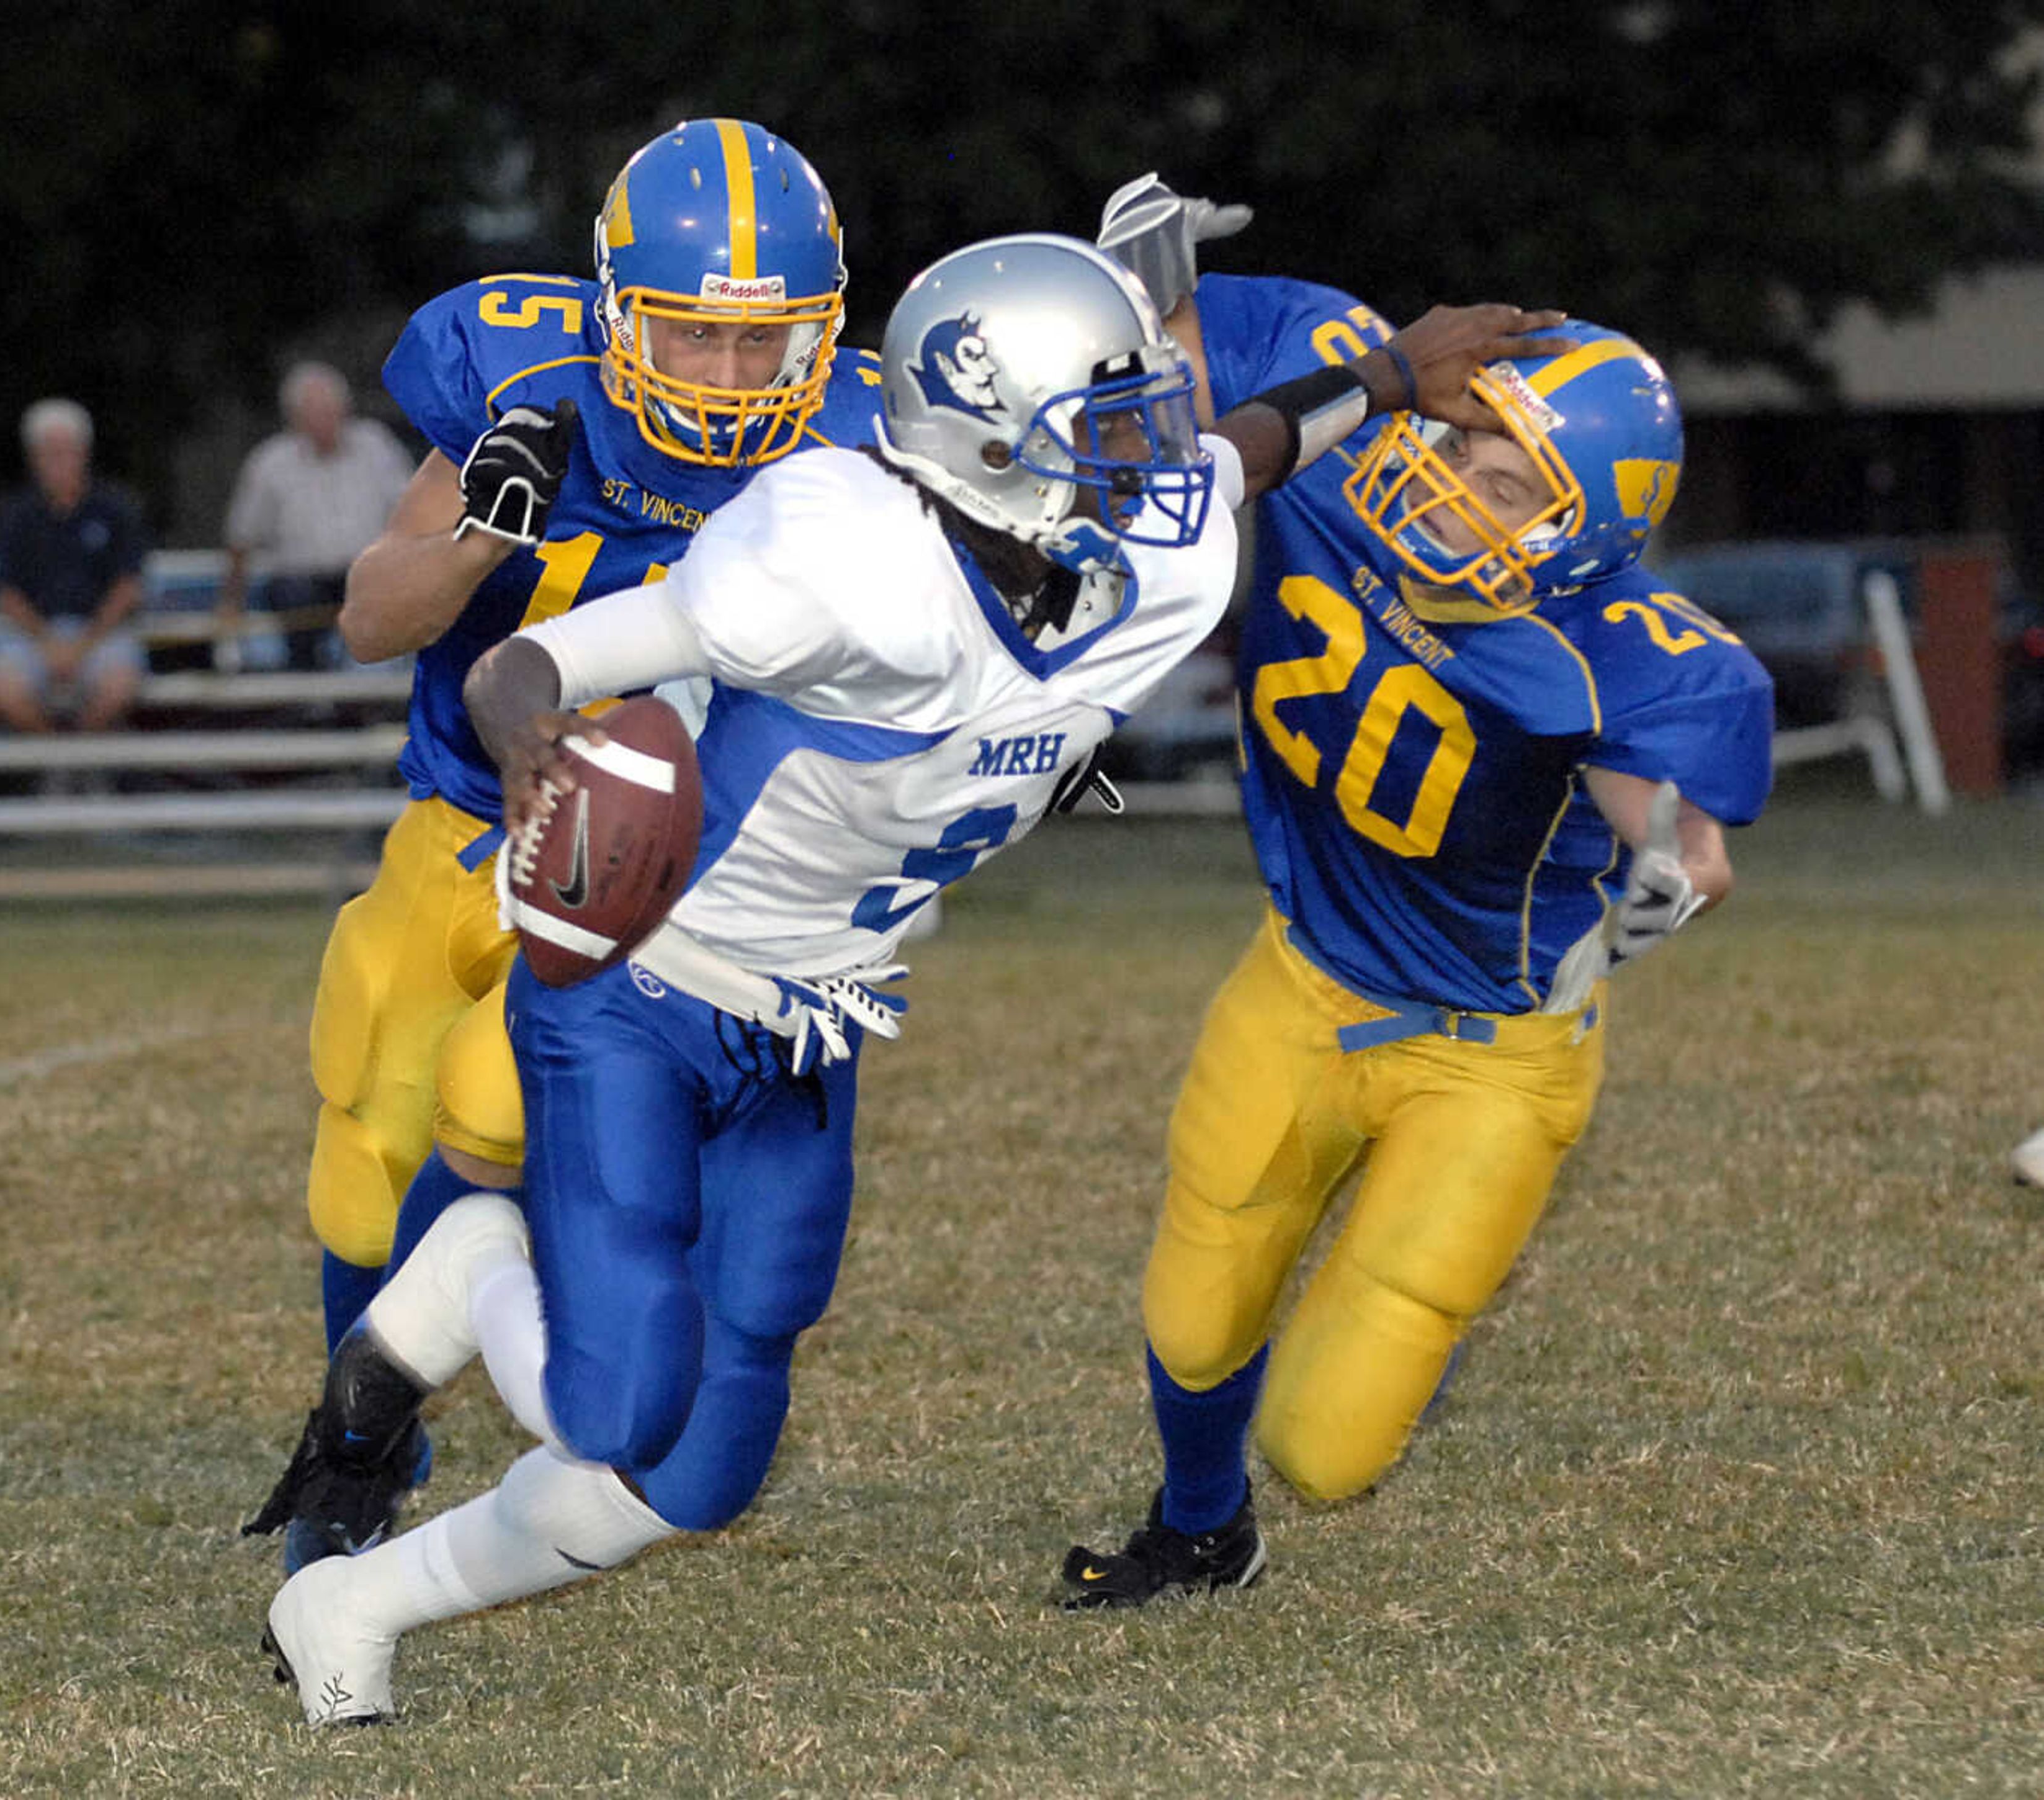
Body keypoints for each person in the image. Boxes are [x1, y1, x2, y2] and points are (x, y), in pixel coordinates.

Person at [244, 230, 1565, 1724]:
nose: (1150, 455)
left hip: (813, 1013)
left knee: (699, 1476)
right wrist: (534, 748)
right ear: (985, 443)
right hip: (643, 981)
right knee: (613, 1411)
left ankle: (351, 1599)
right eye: (1104, 427)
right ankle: (473, 1264)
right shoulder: (825, 557)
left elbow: (1242, 445)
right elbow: (524, 666)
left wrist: (1391, 375)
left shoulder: (1161, 522)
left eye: (1139, 413)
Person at [1058, 181, 1777, 1609]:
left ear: (1581, 541)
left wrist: (1668, 869)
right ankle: (1200, 1529)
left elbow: (1681, 832)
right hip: (1308, 968)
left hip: (1489, 1049)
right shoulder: (1344, 429)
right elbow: (1147, 432)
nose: (1442, 476)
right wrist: (1132, 308)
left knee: (1326, 1445)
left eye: (1502, 481)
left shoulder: (1617, 647)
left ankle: (1289, 1456)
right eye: (1455, 435)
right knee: (1193, 1316)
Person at [284, 118, 880, 1559]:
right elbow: (371, 619)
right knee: (369, 1149)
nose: (733, 380)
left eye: (766, 344)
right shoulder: (523, 380)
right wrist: (488, 527)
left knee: (524, 1131)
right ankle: (364, 1434)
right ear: (616, 316)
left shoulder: (873, 438)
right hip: (471, 819)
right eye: (691, 338)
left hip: (691, 865)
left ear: (824, 332)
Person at [216, 362, 415, 671]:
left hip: (367, 576)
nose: (324, 420)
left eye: (330, 409)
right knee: (298, 599)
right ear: (294, 418)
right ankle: (311, 698)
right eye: (313, 411)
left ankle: (370, 696)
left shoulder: (377, 447)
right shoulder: (270, 462)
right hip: (301, 584)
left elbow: (412, 514)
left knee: (381, 597)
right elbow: (242, 538)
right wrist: (231, 602)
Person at [0, 398, 150, 733]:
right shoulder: (17, 516)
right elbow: (6, 594)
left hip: (102, 633)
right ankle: (54, 755)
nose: (58, 461)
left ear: (84, 453)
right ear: (34, 459)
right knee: (3, 691)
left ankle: (80, 752)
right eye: (49, 452)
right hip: (33, 635)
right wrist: (49, 643)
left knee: (120, 687)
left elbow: (128, 588)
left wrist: (83, 644)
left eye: (66, 450)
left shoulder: (115, 510)